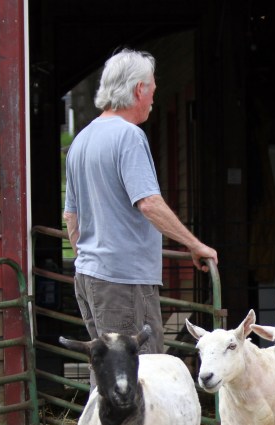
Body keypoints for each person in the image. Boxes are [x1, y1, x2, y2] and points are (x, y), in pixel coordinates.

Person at [63, 48, 218, 360]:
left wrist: (92, 259)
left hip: (91, 276)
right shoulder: (129, 137)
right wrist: (194, 244)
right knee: (140, 370)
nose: (152, 99)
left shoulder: (81, 140)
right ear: (138, 89)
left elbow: (71, 219)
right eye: (152, 91)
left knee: (108, 371)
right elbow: (148, 203)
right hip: (123, 280)